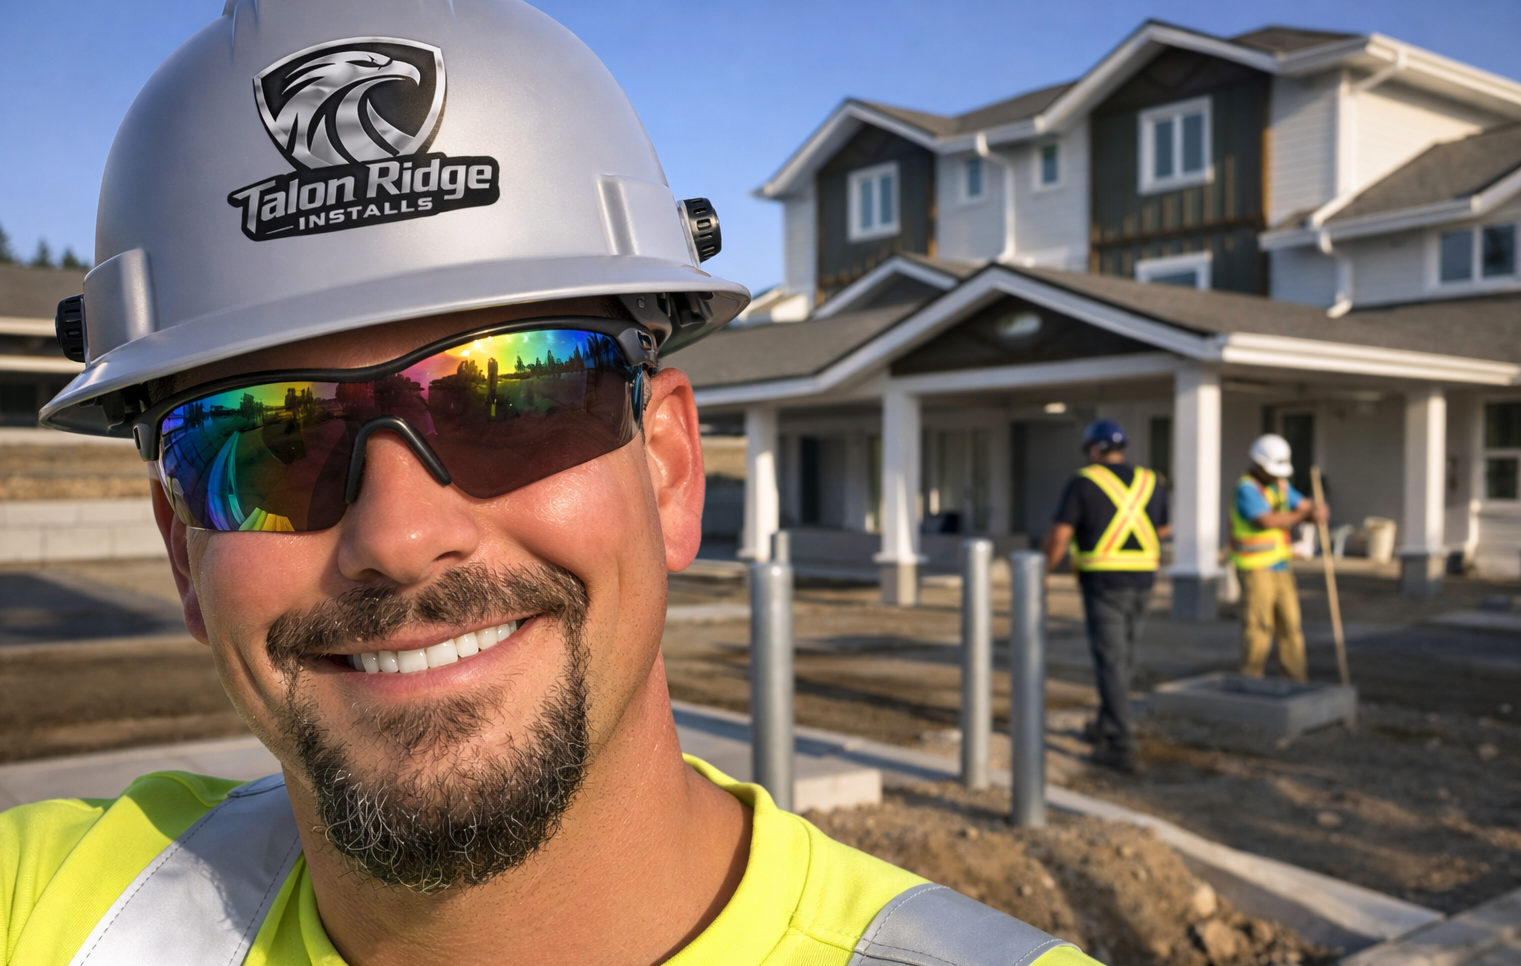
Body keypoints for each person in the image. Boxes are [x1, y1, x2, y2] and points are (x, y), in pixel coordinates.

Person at [3, 4, 1101, 965]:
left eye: (512, 399)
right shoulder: (50, 908)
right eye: (265, 441)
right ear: (180, 550)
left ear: (669, 469)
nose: (400, 533)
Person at [1041, 419, 1169, 775]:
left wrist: (1042, 572)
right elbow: (1162, 528)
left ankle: (1121, 745)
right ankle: (1104, 724)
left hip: (1104, 584)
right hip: (1143, 581)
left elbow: (1060, 533)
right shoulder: (1151, 481)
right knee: (1122, 658)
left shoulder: (1084, 481)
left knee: (1111, 661)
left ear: (1094, 450)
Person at [1231, 434, 1329, 682]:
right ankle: (1250, 678)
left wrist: (1315, 512)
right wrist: (1300, 516)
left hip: (1281, 567)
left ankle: (1296, 679)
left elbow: (1303, 506)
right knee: (1259, 627)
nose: (1276, 476)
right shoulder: (1246, 488)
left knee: (1291, 627)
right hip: (1255, 569)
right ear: (1259, 464)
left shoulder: (1281, 486)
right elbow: (1266, 520)